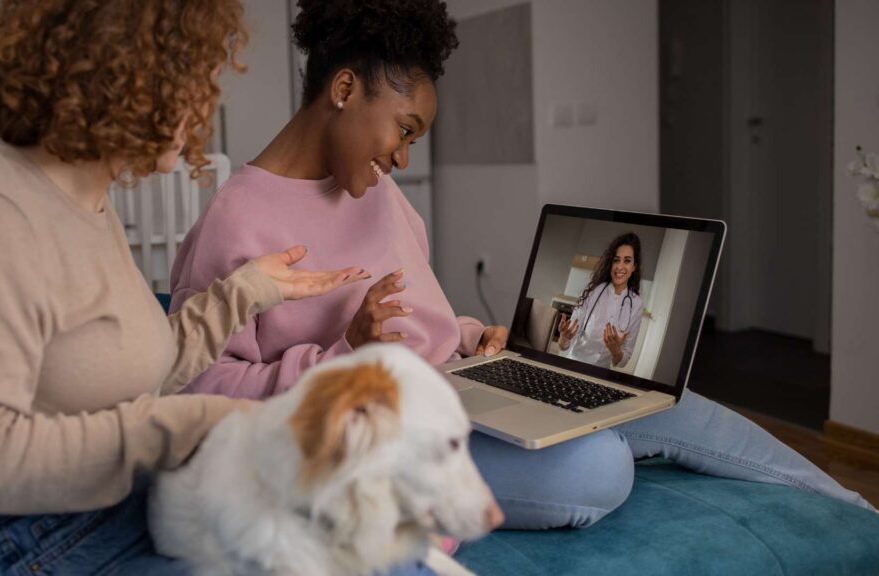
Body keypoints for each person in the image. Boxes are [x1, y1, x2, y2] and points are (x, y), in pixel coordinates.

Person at [170, 0, 875, 536]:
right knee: (600, 467)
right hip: (383, 439)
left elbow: (426, 323)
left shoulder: (381, 196)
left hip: (460, 385)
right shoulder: (233, 224)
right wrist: (342, 357)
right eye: (404, 130)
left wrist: (476, 336)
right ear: (346, 90)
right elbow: (198, 396)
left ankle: (855, 513)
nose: (403, 158)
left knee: (661, 399)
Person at [0, 1, 380, 574]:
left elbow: (123, 366)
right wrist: (185, 425)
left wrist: (243, 292)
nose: (203, 106)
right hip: (34, 538)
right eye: (192, 79)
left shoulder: (87, 201)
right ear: (125, 73)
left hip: (99, 507)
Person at [558, 232, 644, 369]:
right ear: (611, 263)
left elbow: (623, 361)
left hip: (601, 374)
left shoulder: (637, 305)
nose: (620, 266)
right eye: (616, 260)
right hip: (574, 365)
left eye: (627, 261)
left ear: (634, 267)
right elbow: (563, 346)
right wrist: (564, 338)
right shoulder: (593, 292)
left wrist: (615, 350)